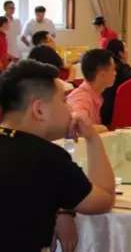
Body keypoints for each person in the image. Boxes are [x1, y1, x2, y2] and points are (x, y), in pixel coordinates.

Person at [0, 60, 115, 252]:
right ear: (39, 110)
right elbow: (104, 199)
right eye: (63, 100)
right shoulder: (48, 158)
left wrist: (61, 209)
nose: (70, 109)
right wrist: (92, 138)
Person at [66, 49, 116, 133]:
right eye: (113, 69)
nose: (115, 73)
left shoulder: (94, 94)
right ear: (102, 74)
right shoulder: (81, 98)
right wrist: (104, 128)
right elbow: (77, 126)